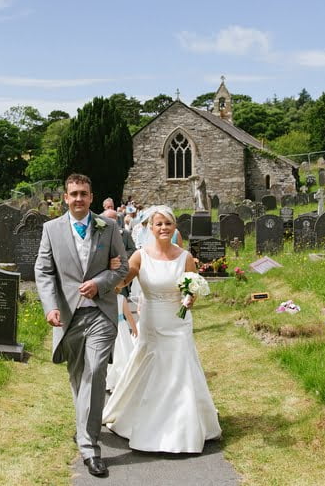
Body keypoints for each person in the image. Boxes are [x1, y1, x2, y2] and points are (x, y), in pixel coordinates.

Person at [102, 205, 221, 453]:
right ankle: (147, 422)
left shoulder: (185, 257)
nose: (164, 228)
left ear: (174, 227)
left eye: (168, 223)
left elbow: (192, 286)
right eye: (159, 224)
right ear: (150, 228)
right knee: (152, 366)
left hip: (179, 322)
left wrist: (190, 299)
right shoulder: (140, 256)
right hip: (152, 322)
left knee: (180, 368)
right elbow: (122, 282)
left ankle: (183, 427)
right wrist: (112, 274)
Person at [35, 174, 130, 478]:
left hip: (101, 313)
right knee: (78, 377)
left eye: (83, 194)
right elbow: (44, 271)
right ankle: (84, 426)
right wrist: (50, 306)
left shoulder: (109, 227)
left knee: (95, 371)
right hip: (68, 316)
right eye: (73, 193)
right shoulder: (51, 229)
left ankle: (89, 447)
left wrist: (100, 282)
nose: (78, 198)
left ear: (91, 197)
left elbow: (123, 267)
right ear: (65, 197)